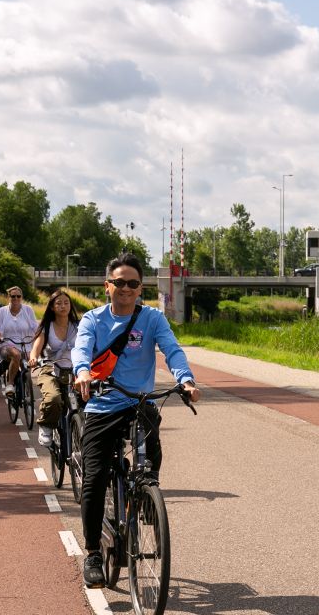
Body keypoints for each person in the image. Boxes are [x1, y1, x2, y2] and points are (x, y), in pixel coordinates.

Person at [72, 252, 200, 589]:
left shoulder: (153, 319)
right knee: (95, 476)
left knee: (152, 454)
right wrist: (83, 371)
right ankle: (93, 554)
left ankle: (144, 495)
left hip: (138, 403)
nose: (126, 288)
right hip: (101, 406)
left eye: (133, 283)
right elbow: (82, 349)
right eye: (119, 283)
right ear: (107, 286)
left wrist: (185, 380)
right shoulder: (93, 320)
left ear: (140, 287)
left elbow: (172, 350)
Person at [28, 289, 80, 446]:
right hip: (51, 369)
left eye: (66, 303)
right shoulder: (47, 327)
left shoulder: (79, 326)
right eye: (58, 303)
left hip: (76, 370)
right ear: (52, 307)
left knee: (92, 399)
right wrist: (33, 358)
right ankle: (46, 425)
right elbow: (36, 348)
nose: (63, 306)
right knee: (53, 398)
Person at [0, 286, 38, 399]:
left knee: (30, 361)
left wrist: (40, 338)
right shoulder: (2, 311)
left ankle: (24, 383)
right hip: (6, 344)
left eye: (18, 296)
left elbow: (36, 328)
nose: (16, 298)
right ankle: (10, 384)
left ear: (21, 297)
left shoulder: (28, 310)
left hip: (25, 345)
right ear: (9, 297)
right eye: (13, 296)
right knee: (16, 355)